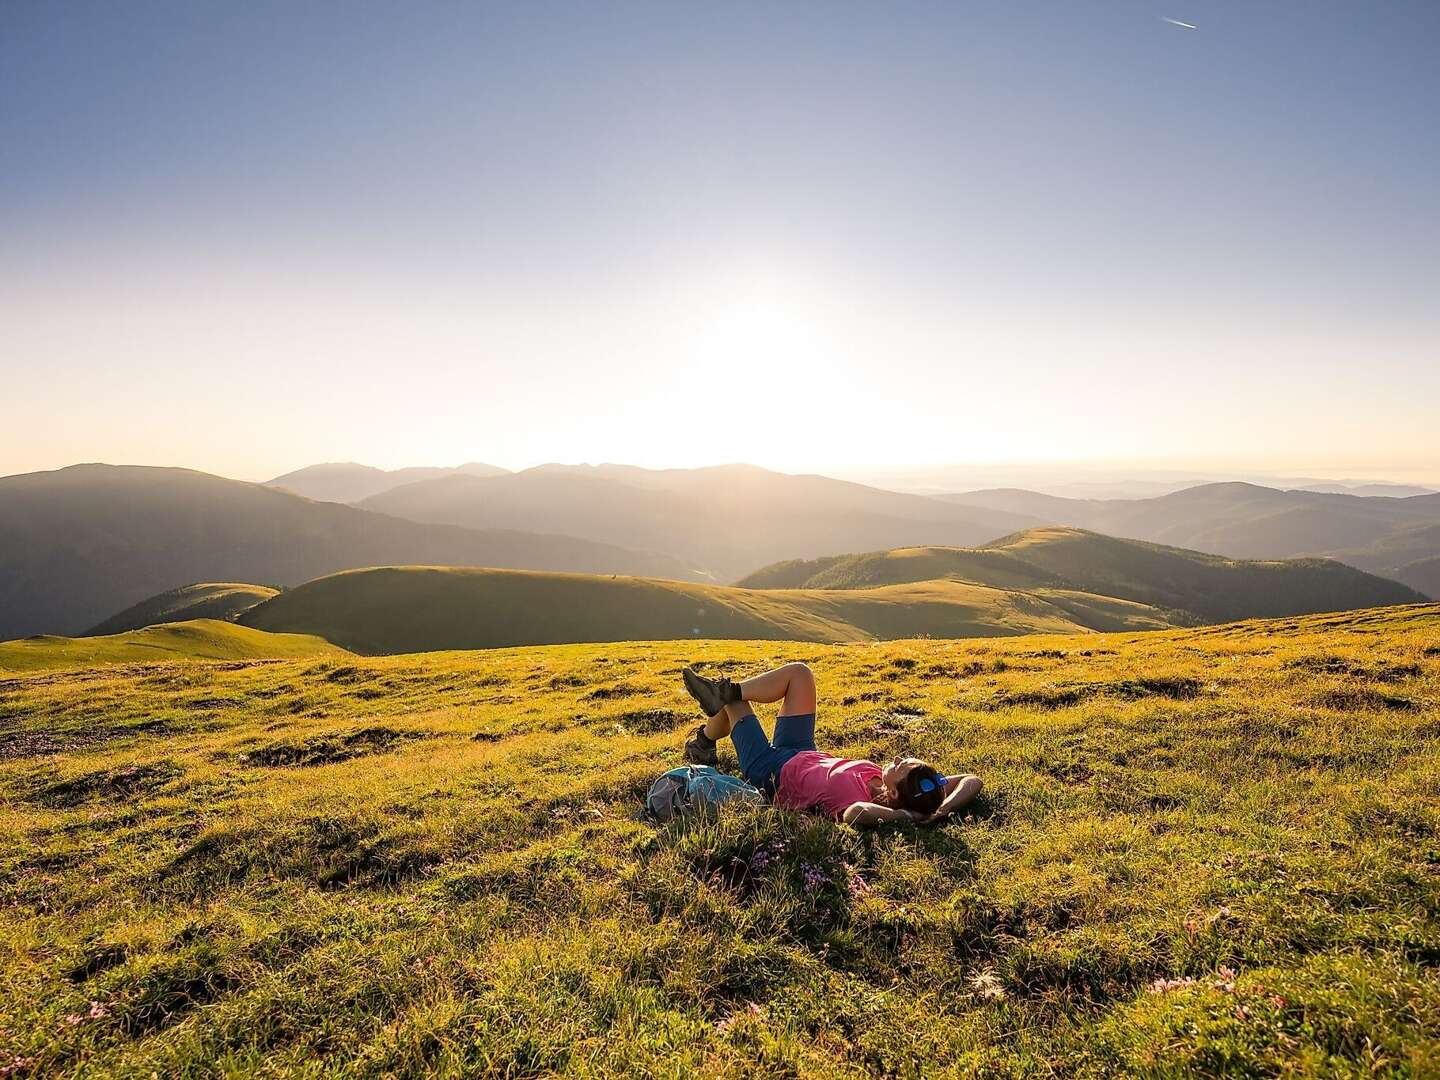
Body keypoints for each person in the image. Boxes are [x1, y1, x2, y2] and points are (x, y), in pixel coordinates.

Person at [680, 662, 982, 828]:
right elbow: (972, 780)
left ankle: (705, 740)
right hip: (801, 750)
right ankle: (723, 694)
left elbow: (857, 815)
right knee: (800, 675)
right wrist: (938, 810)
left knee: (736, 704)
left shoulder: (857, 801)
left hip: (769, 770)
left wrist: (907, 816)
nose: (901, 758)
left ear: (893, 793)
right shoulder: (895, 783)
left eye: (903, 766)